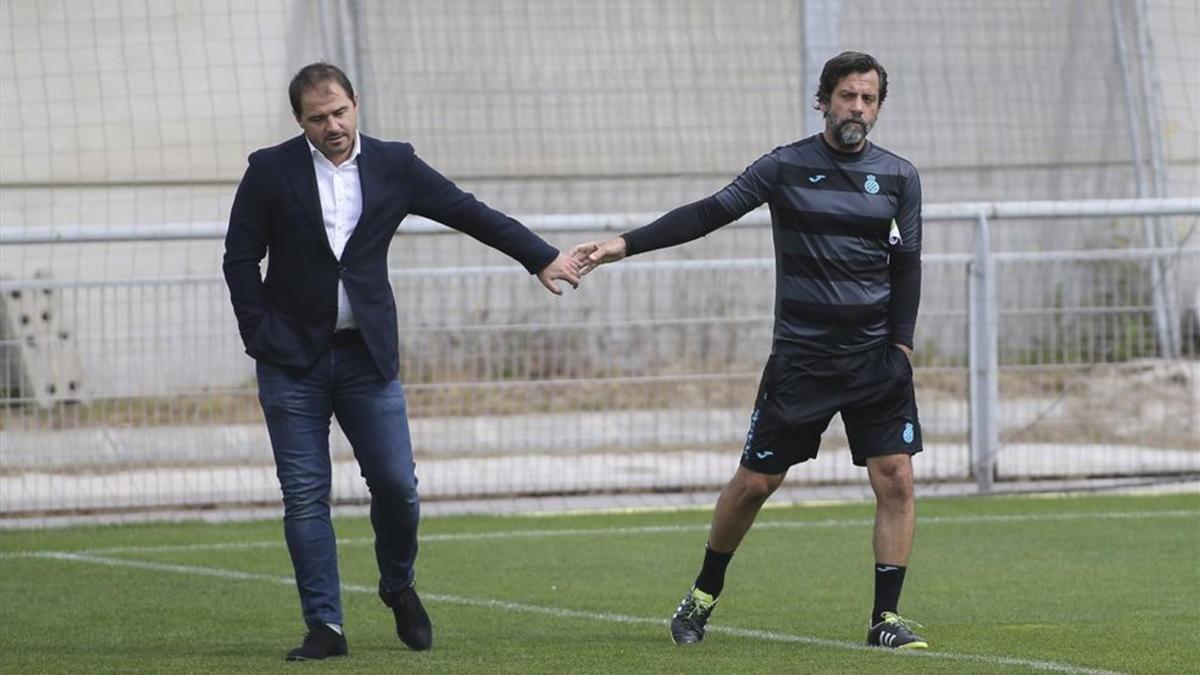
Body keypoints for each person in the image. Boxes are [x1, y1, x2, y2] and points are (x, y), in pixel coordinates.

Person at [223, 62, 582, 661]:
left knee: (396, 486)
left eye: (339, 112)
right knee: (306, 494)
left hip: (368, 356)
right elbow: (239, 259)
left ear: (355, 103)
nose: (332, 126)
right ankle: (326, 628)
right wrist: (258, 333)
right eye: (317, 119)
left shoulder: (395, 164)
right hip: (291, 363)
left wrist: (540, 257)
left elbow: (469, 211)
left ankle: (397, 584)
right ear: (300, 121)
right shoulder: (269, 170)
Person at [571, 51, 927, 650]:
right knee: (755, 484)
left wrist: (901, 345)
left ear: (878, 108)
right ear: (823, 101)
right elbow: (708, 213)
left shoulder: (899, 177)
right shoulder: (785, 167)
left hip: (875, 363)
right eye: (847, 97)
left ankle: (885, 619)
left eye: (868, 100)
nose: (857, 109)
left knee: (896, 480)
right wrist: (621, 245)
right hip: (801, 361)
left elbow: (908, 264)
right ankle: (703, 593)